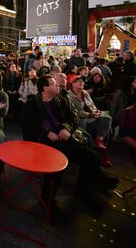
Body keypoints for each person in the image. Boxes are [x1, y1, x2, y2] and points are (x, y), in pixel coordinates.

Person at [21, 75, 119, 213]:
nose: (58, 86)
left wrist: (66, 128)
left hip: (64, 137)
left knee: (92, 158)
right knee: (57, 165)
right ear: (45, 88)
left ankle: (83, 191)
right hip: (42, 141)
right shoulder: (31, 104)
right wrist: (46, 132)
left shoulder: (60, 100)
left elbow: (73, 117)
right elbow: (27, 126)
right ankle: (47, 200)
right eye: (54, 84)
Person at [67, 75, 113, 167]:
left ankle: (99, 141)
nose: (81, 83)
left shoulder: (85, 93)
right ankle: (99, 154)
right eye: (78, 81)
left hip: (91, 117)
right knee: (98, 126)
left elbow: (91, 105)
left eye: (83, 81)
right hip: (79, 120)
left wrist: (95, 111)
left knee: (107, 118)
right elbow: (74, 112)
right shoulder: (68, 95)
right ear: (72, 83)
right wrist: (89, 115)